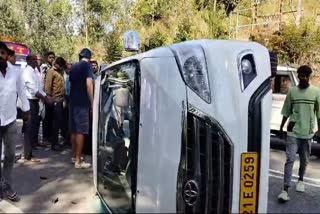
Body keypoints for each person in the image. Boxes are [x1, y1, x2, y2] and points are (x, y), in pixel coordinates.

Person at [278, 65, 320, 202]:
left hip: (307, 132)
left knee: (304, 159)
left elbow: (319, 113)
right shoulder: (292, 91)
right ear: (298, 76)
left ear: (309, 77)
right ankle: (285, 189)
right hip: (293, 131)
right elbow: (286, 110)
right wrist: (281, 126)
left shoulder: (316, 92)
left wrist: (319, 130)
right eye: (301, 76)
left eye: (305, 76)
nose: (303, 79)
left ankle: (301, 180)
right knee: (289, 159)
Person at [0, 42, 30, 202]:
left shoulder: (15, 72)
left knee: (10, 156)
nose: (0, 56)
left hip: (10, 119)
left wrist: (26, 110)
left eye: (2, 53)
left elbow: (21, 91)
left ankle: (7, 186)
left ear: (6, 55)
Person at [22, 54, 53, 162]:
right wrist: (45, 98)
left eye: (36, 59)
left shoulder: (35, 71)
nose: (36, 61)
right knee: (29, 127)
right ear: (28, 61)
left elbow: (39, 88)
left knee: (35, 125)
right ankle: (27, 154)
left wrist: (46, 96)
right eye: (33, 59)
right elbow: (33, 89)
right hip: (29, 100)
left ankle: (32, 147)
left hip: (35, 101)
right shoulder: (27, 72)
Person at [69, 48, 94, 169]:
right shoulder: (87, 66)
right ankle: (78, 161)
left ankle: (74, 155)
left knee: (74, 130)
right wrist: (92, 102)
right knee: (81, 131)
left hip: (73, 102)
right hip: (82, 103)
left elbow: (70, 85)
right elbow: (89, 85)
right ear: (89, 57)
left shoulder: (73, 67)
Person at [45, 57, 67, 151]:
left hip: (61, 99)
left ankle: (56, 141)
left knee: (59, 122)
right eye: (58, 65)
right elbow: (47, 87)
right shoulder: (51, 71)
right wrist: (50, 99)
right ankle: (54, 143)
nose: (59, 67)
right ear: (56, 63)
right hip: (55, 100)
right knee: (55, 123)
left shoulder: (60, 71)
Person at [41, 51, 56, 144]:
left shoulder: (53, 68)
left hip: (53, 95)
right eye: (50, 57)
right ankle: (46, 137)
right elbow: (42, 80)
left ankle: (50, 136)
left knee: (51, 117)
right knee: (46, 117)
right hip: (46, 95)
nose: (52, 59)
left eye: (53, 57)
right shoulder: (45, 67)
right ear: (47, 58)